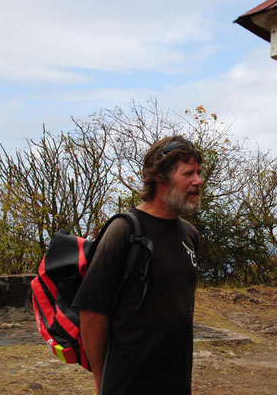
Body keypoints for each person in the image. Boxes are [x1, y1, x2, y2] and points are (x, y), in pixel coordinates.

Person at [73, 135, 204, 394]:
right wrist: (102, 380)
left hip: (176, 380)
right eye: (189, 173)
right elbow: (91, 312)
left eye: (199, 172)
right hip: (128, 382)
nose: (198, 181)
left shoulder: (189, 234)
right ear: (160, 177)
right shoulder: (125, 230)